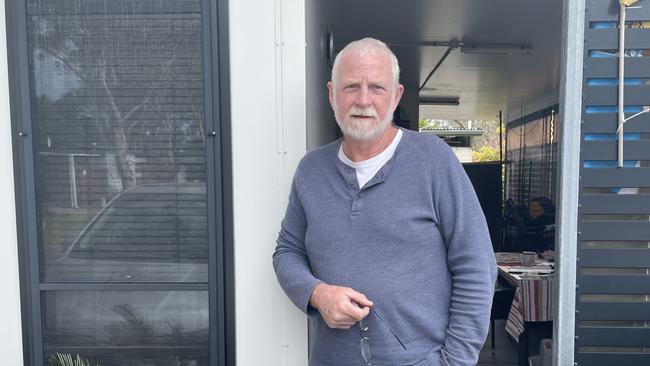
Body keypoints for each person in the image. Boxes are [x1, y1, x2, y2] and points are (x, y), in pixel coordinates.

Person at [273, 37, 497, 366]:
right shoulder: (311, 170)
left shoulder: (433, 160)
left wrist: (456, 362)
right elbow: (286, 252)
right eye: (351, 87)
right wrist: (317, 294)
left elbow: (477, 265)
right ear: (332, 94)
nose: (363, 100)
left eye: (377, 87)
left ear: (396, 96)